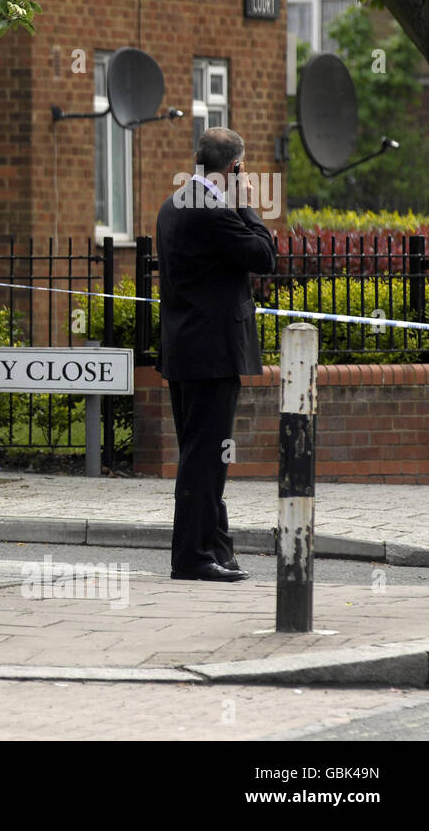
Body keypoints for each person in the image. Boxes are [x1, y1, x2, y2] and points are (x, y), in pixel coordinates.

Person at [157, 127, 276, 582]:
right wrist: (246, 203)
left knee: (204, 454)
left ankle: (217, 548)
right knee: (206, 457)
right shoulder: (211, 210)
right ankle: (194, 556)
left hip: (187, 349)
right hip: (210, 353)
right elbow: (264, 255)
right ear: (235, 167)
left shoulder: (176, 204)